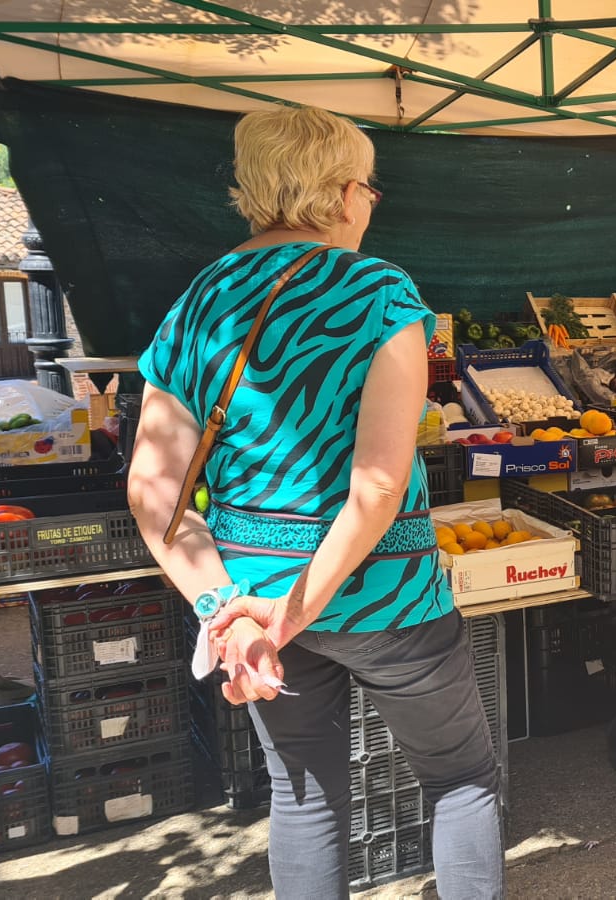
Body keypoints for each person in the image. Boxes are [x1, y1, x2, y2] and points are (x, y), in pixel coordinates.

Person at [126, 106, 502, 899]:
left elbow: (152, 489)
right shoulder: (377, 290)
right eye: (368, 187)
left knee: (304, 797)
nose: (370, 204)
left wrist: (226, 607)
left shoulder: (200, 298)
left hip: (252, 590)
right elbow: (376, 488)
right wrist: (286, 615)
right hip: (389, 598)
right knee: (462, 780)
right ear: (336, 194)